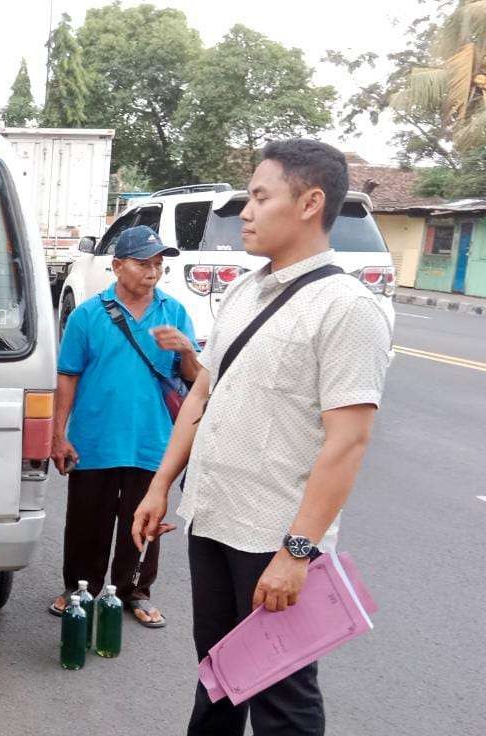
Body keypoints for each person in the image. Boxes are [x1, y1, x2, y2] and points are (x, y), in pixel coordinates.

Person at [132, 139, 392, 735]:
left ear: (310, 202)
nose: (244, 212)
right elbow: (203, 393)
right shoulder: (245, 291)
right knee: (218, 676)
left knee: (282, 701)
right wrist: (161, 485)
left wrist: (297, 552)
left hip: (273, 537)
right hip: (213, 519)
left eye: (259, 196)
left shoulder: (346, 308)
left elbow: (347, 442)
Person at [48, 225, 200, 628]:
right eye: (143, 263)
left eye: (158, 264)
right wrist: (59, 434)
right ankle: (79, 588)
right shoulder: (88, 315)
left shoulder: (174, 312)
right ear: (117, 266)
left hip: (152, 441)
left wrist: (185, 348)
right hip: (95, 440)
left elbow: (194, 378)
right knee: (86, 523)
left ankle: (135, 591)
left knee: (144, 521)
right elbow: (68, 375)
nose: (152, 271)